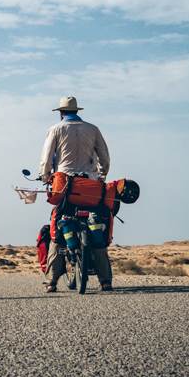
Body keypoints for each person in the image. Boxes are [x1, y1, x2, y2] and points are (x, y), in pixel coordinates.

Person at [39, 95, 113, 292]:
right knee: (96, 225)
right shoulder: (93, 129)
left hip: (66, 186)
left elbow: (47, 159)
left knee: (57, 226)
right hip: (90, 186)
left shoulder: (55, 129)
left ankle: (51, 282)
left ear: (61, 113)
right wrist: (101, 177)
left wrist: (45, 176)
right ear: (77, 111)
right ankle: (105, 280)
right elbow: (104, 158)